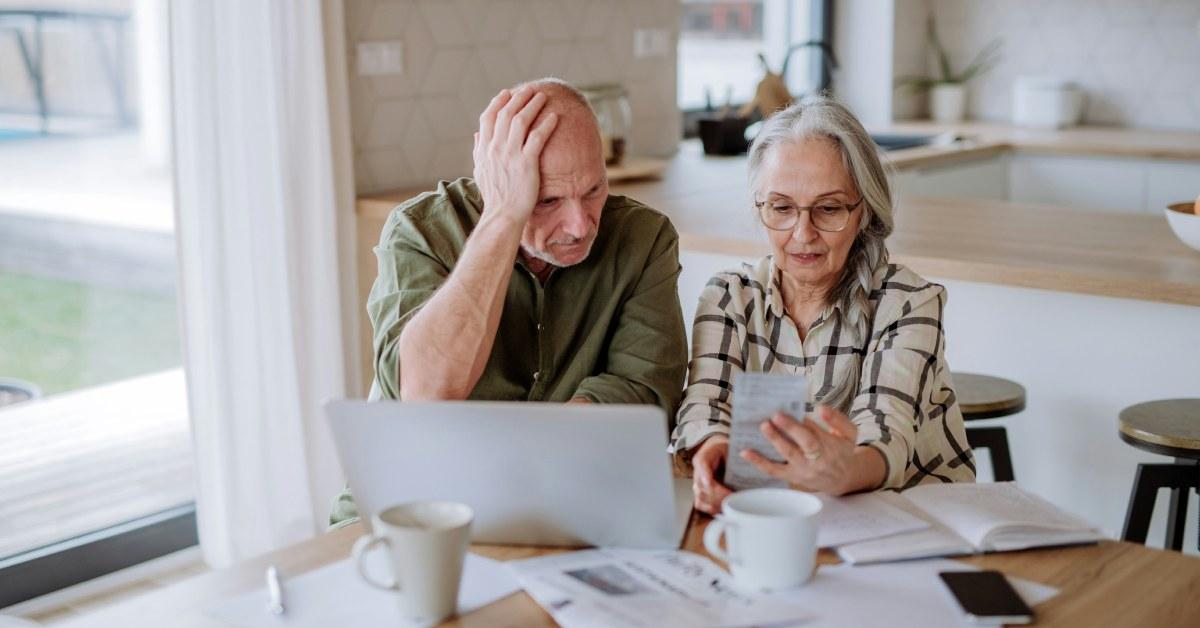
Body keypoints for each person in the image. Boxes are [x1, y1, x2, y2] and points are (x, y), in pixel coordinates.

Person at [330, 78, 688, 526]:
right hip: (408, 509)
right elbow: (426, 395)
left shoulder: (645, 239)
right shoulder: (420, 231)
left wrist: (517, 467)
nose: (579, 226)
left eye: (594, 190)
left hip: (565, 502)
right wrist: (504, 217)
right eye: (548, 201)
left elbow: (646, 395)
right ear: (495, 183)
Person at [669, 95, 975, 515]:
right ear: (761, 210)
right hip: (784, 519)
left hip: (913, 519)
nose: (802, 233)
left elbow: (888, 431)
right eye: (782, 208)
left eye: (828, 209)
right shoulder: (729, 296)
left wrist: (843, 470)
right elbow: (706, 403)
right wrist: (713, 449)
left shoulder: (908, 303)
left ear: (863, 211)